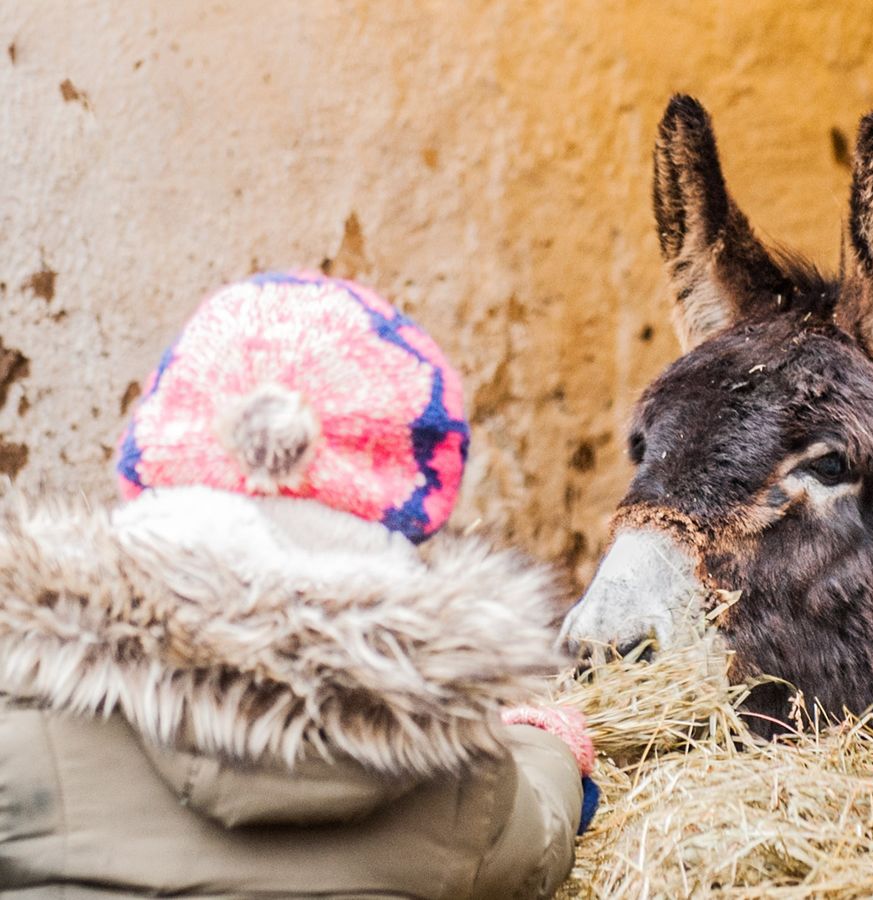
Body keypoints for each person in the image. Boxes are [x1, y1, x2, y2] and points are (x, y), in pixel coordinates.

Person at [0, 271, 593, 898]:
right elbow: (537, 847)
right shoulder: (461, 773)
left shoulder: (23, 710)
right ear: (405, 503)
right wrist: (544, 743)